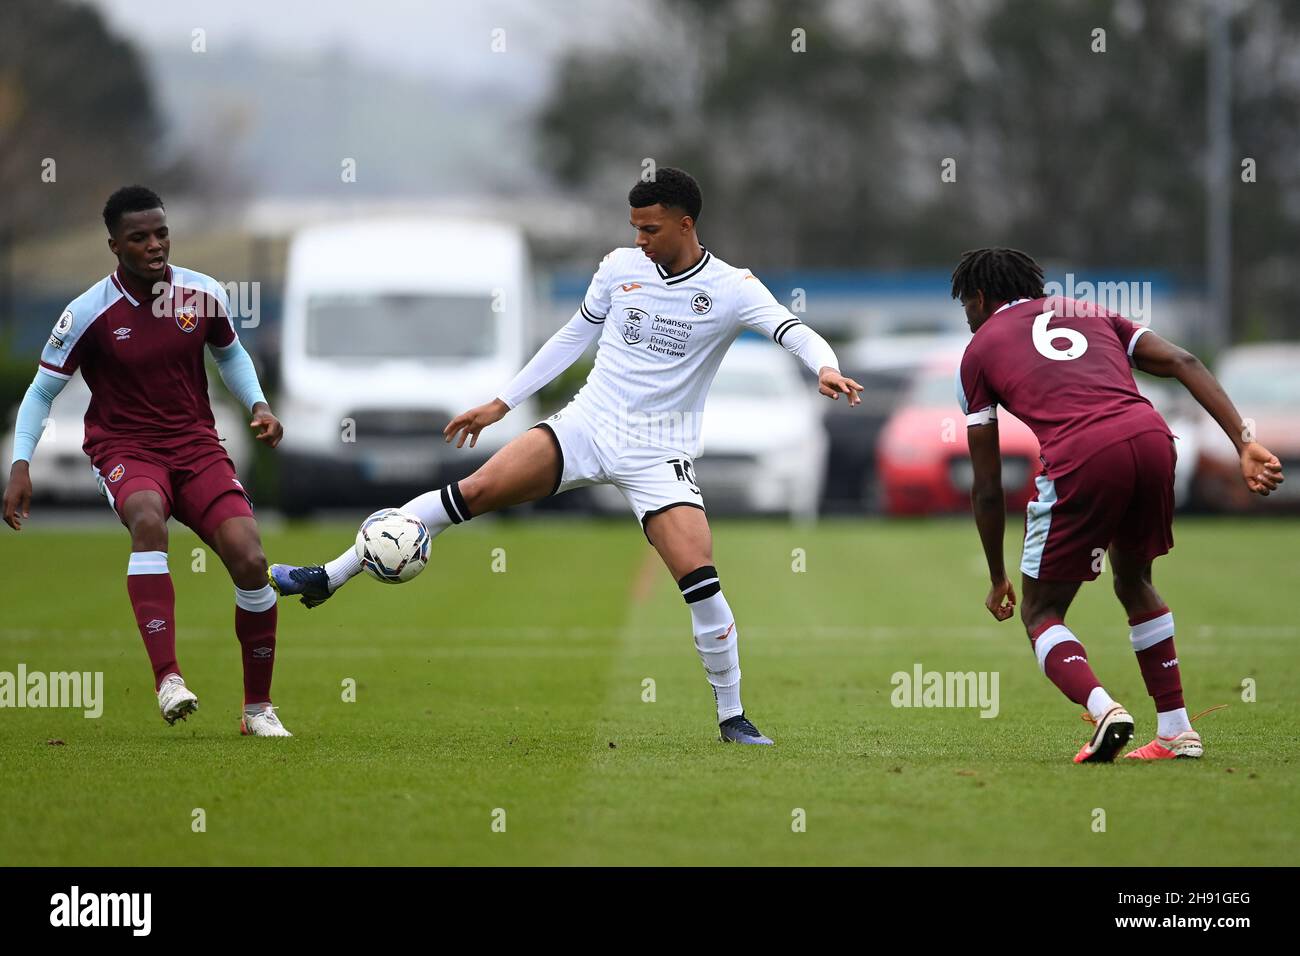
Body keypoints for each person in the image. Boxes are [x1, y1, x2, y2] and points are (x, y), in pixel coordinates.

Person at [271, 167, 863, 745]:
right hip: (586, 425)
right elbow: (573, 338)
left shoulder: (731, 288)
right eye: (633, 227)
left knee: (700, 577)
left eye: (650, 229)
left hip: (658, 452)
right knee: (469, 494)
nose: (639, 240)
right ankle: (329, 574)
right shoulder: (620, 269)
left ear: (685, 225)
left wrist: (826, 366)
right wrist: (502, 403)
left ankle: (733, 716)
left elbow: (792, 329)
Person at [953, 247, 1283, 762]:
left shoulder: (977, 352)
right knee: (1135, 580)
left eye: (966, 308)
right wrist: (1244, 443)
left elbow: (988, 485)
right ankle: (1177, 731)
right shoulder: (1089, 310)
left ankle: (1105, 709)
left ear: (978, 297)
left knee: (1041, 611)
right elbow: (1183, 361)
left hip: (1083, 454)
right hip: (1152, 437)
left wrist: (997, 575)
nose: (967, 320)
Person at [2, 185, 292, 736]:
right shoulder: (87, 311)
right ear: (115, 245)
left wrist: (258, 404)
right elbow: (41, 393)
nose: (155, 245)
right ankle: (169, 679)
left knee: (250, 559)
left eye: (161, 233)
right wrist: (21, 464)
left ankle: (258, 709)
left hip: (197, 445)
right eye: (140, 237)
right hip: (125, 447)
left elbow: (230, 353)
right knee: (147, 519)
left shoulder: (202, 293)